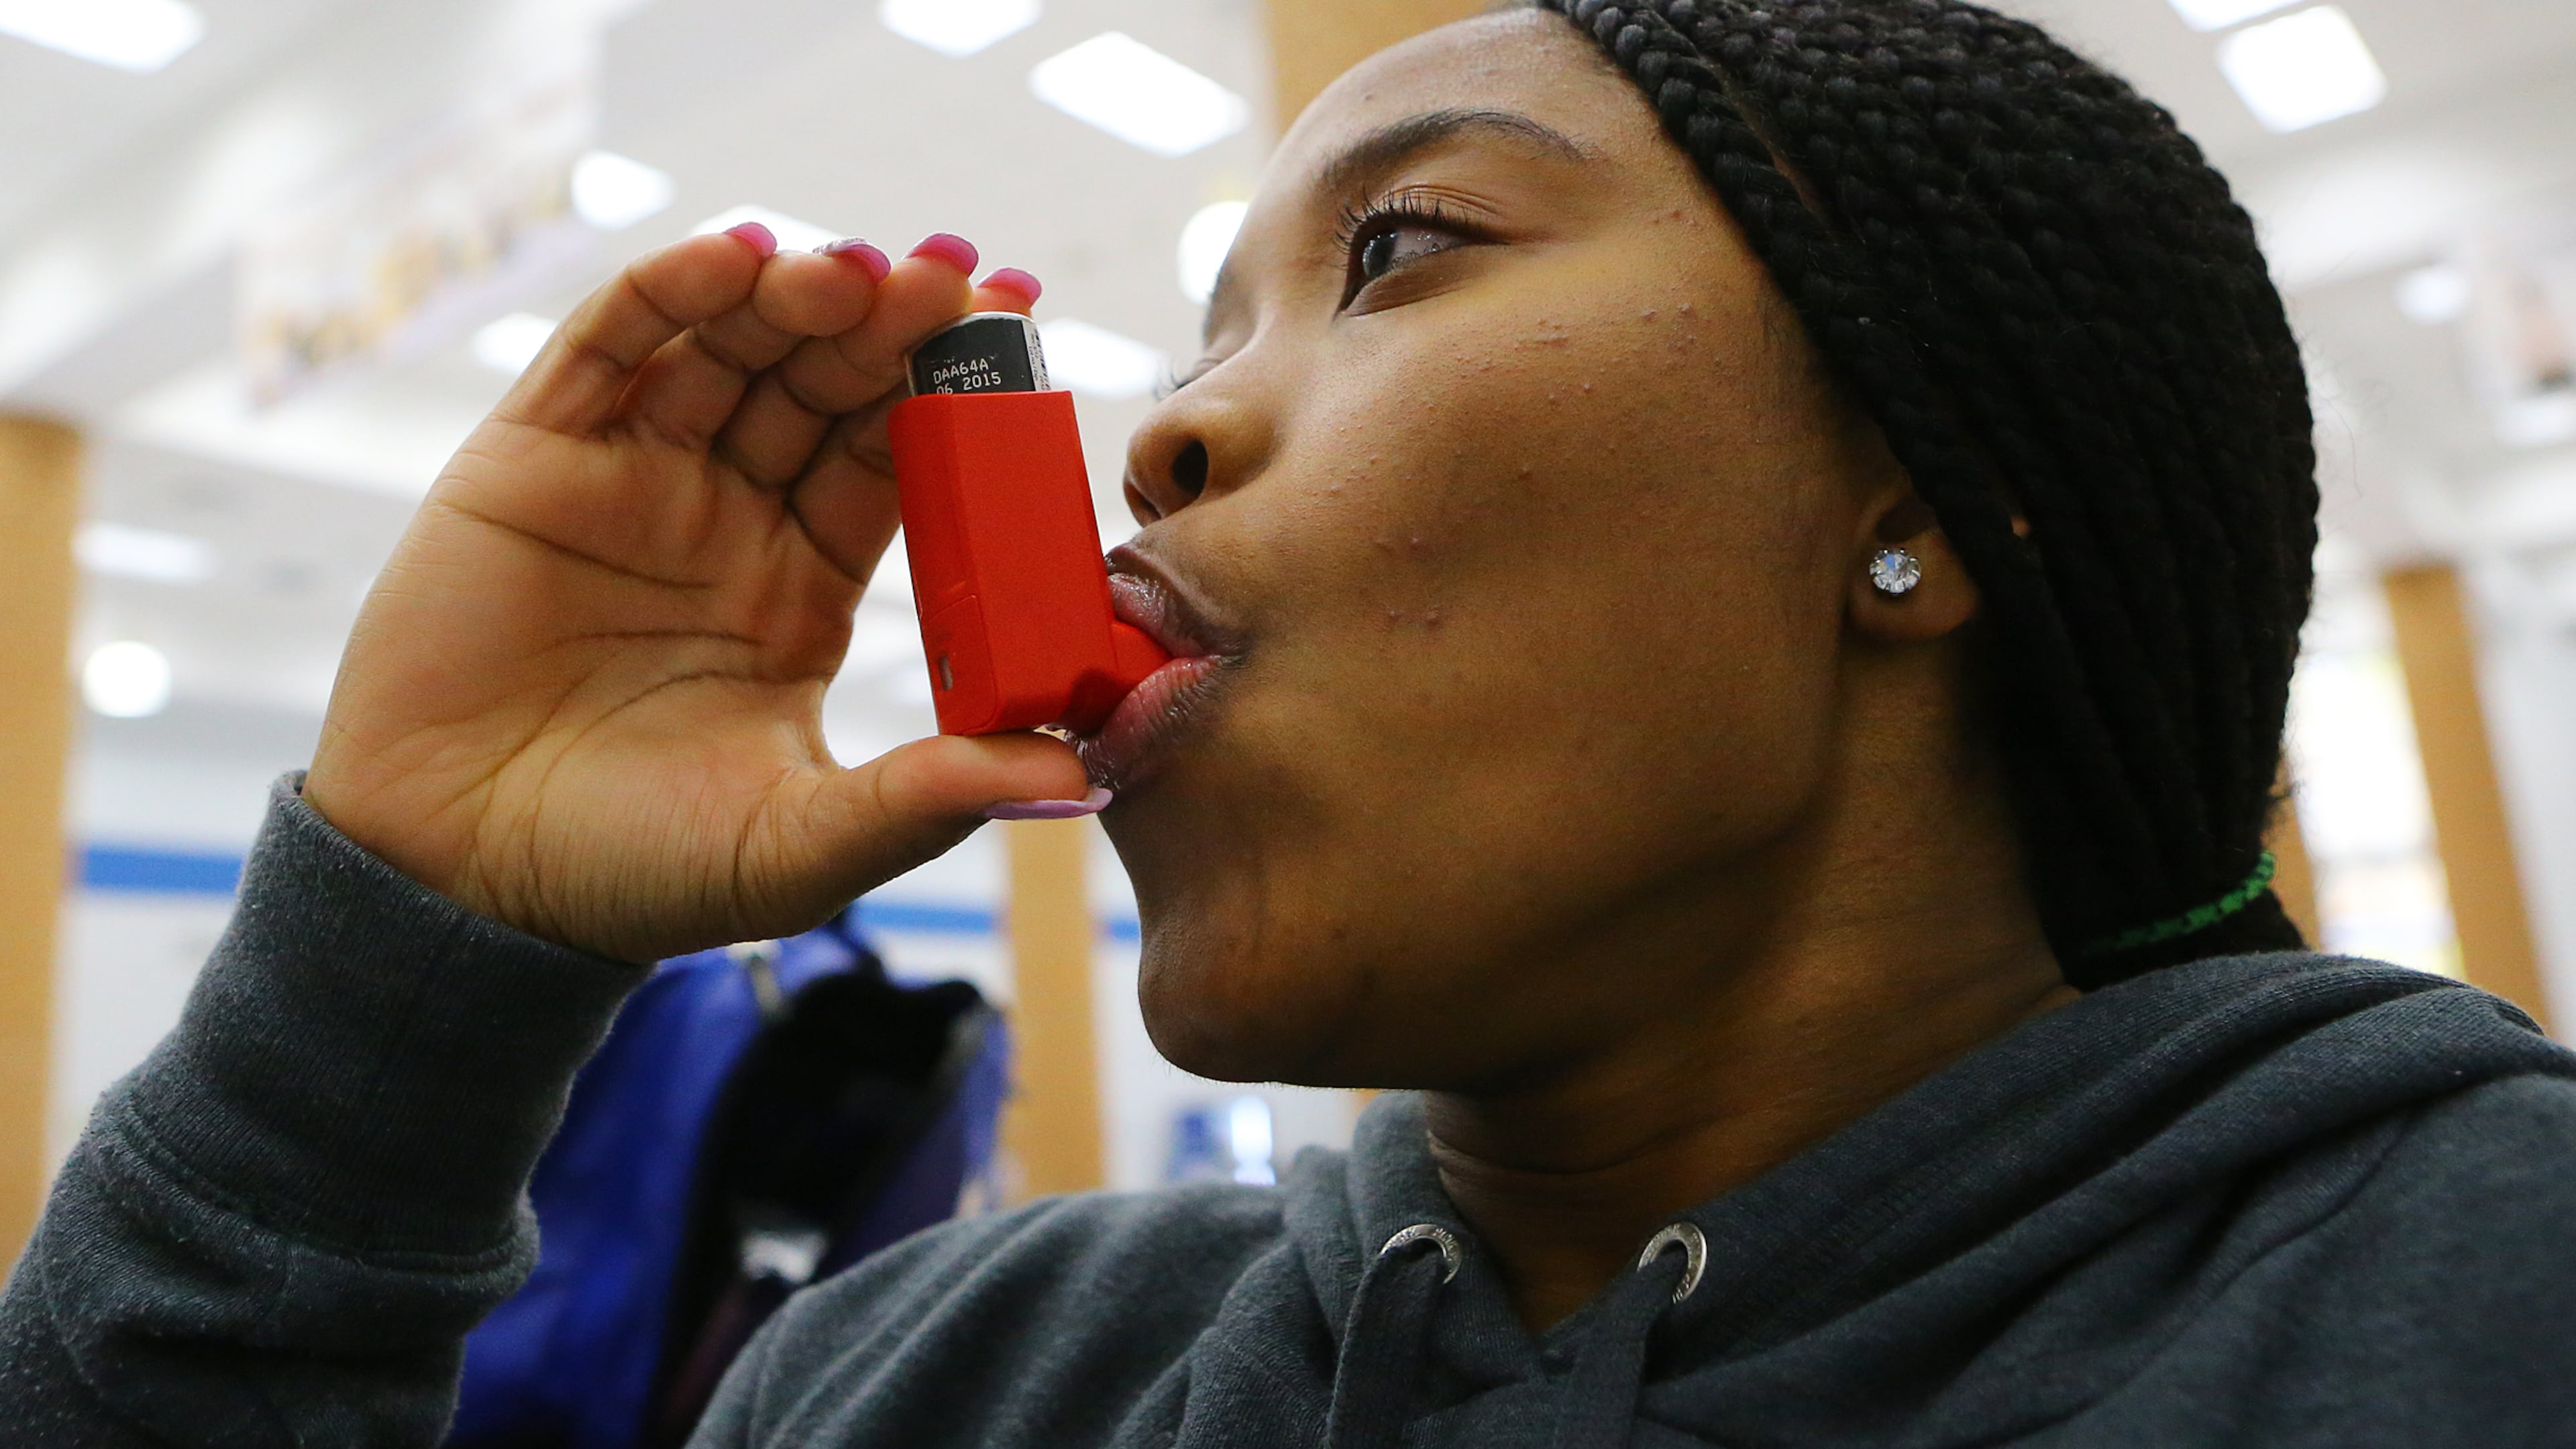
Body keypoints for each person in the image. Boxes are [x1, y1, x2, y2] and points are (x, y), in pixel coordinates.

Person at [8, 1, 2575, 1444]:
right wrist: (405, 958)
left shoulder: (2484, 1307)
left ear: (1933, 507)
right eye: (1204, 325)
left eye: (1406, 249)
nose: (1159, 433)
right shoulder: (933, 1385)